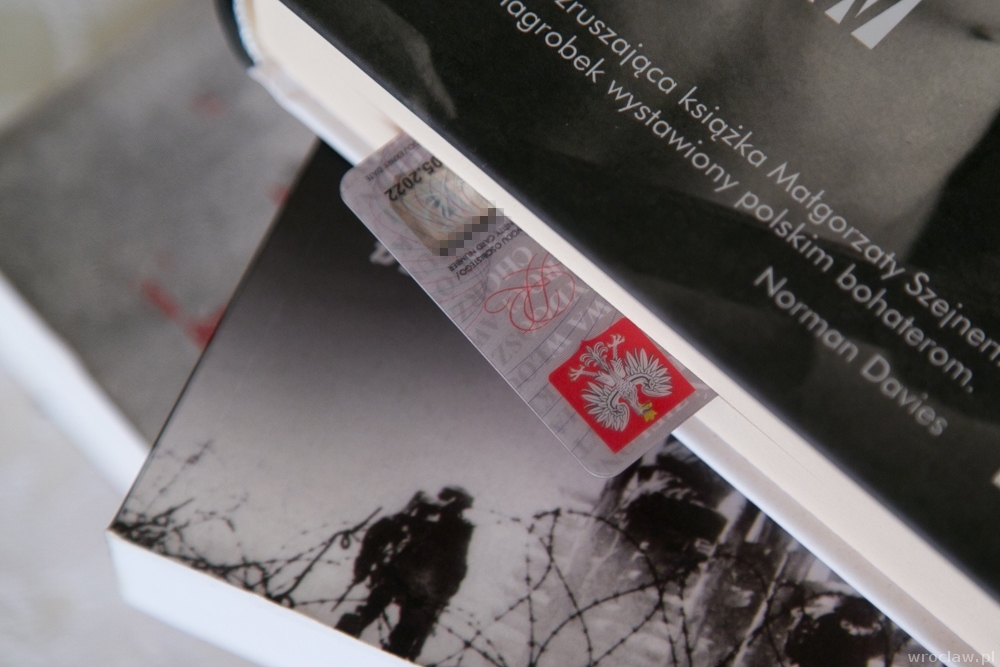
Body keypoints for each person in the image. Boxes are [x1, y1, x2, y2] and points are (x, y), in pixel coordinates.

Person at [336, 487, 474, 661]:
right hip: (416, 587)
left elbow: (380, 532)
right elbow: (457, 570)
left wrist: (365, 563)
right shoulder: (456, 528)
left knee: (377, 618)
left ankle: (346, 636)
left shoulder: (425, 516)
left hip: (405, 581)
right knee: (400, 636)